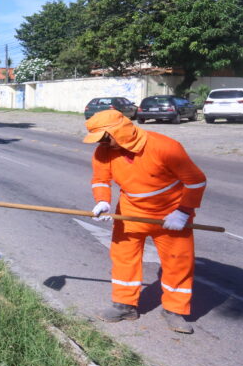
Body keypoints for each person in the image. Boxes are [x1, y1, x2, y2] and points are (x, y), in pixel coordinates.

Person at [82, 109, 206, 334]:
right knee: (123, 258)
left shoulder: (165, 147)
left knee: (178, 262)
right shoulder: (103, 152)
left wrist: (183, 212)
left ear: (119, 131)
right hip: (130, 212)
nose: (100, 143)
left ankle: (174, 310)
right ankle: (124, 305)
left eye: (104, 137)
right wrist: (103, 202)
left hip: (170, 215)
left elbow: (196, 181)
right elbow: (100, 180)